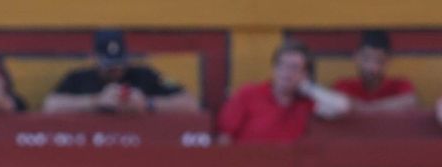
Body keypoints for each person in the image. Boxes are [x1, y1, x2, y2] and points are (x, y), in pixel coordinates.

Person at [216, 41, 351, 144]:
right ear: (274, 68)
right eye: (282, 65)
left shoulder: (306, 102)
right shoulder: (248, 94)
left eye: (294, 68)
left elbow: (342, 106)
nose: (286, 72)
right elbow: (224, 137)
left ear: (305, 74)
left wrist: (307, 87)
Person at [42, 30, 200, 115]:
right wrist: (95, 102)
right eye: (109, 65)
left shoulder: (144, 75)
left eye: (119, 63)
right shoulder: (79, 78)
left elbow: (190, 103)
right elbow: (51, 105)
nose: (115, 70)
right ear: (95, 58)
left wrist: (147, 104)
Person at [332, 30, 418, 111]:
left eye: (379, 60)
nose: (372, 67)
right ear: (356, 57)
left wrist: (361, 107)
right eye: (366, 59)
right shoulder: (344, 86)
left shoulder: (400, 85)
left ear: (388, 60)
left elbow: (409, 101)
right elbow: (335, 102)